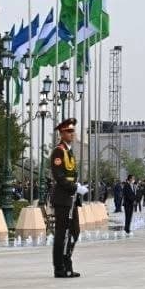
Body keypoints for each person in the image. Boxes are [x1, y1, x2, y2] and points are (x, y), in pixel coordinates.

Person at [50, 118, 87, 278]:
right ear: (62, 133)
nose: (72, 134)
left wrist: (76, 187)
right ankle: (60, 267)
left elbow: (71, 174)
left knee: (74, 232)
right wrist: (75, 187)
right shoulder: (58, 151)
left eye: (73, 131)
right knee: (61, 233)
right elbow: (59, 176)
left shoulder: (68, 151)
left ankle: (67, 263)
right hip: (63, 198)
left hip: (71, 198)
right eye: (69, 131)